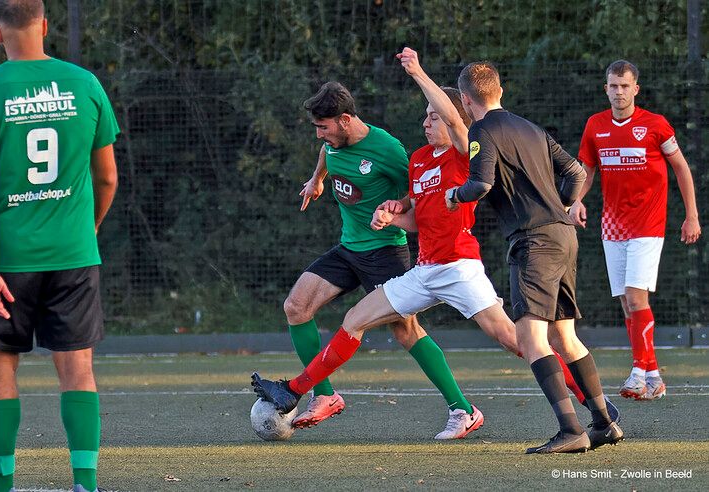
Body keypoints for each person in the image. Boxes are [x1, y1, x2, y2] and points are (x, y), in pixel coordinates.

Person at [252, 48, 618, 442]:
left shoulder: (465, 151)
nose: (426, 122)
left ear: (454, 118)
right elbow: (416, 217)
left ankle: (593, 405)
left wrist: (418, 72)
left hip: (460, 267)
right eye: (425, 116)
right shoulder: (420, 160)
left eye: (434, 116)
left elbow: (457, 125)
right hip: (425, 270)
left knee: (516, 340)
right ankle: (293, 391)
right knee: (354, 320)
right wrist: (391, 214)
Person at [0, 1, 119, 491]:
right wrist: (87, 229)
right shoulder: (86, 85)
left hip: (7, 259)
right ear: (45, 26)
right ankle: (85, 483)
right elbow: (108, 179)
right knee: (77, 370)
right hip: (73, 253)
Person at [442, 60, 623, 454]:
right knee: (565, 336)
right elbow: (576, 172)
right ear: (500, 92)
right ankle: (604, 424)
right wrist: (558, 207)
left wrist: (454, 195)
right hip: (562, 235)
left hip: (534, 241)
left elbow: (480, 184)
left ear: (467, 101)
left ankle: (571, 429)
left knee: (530, 336)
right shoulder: (531, 127)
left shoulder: (481, 130)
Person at [283, 80, 475, 437]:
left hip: (386, 250)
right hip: (348, 248)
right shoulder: (333, 143)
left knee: (406, 331)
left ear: (344, 120)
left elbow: (417, 192)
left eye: (323, 128)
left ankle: (463, 408)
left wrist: (397, 209)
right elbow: (329, 155)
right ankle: (325, 396)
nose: (319, 135)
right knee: (296, 307)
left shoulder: (386, 149)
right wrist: (316, 180)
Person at [569, 60, 701, 401]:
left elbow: (682, 169)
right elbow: (587, 168)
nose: (618, 92)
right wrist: (576, 200)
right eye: (613, 86)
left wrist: (692, 216)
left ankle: (639, 372)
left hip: (648, 224)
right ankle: (654, 376)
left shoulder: (655, 125)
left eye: (624, 86)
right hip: (612, 226)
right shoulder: (595, 125)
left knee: (635, 295)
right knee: (627, 304)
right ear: (606, 88)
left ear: (635, 89)